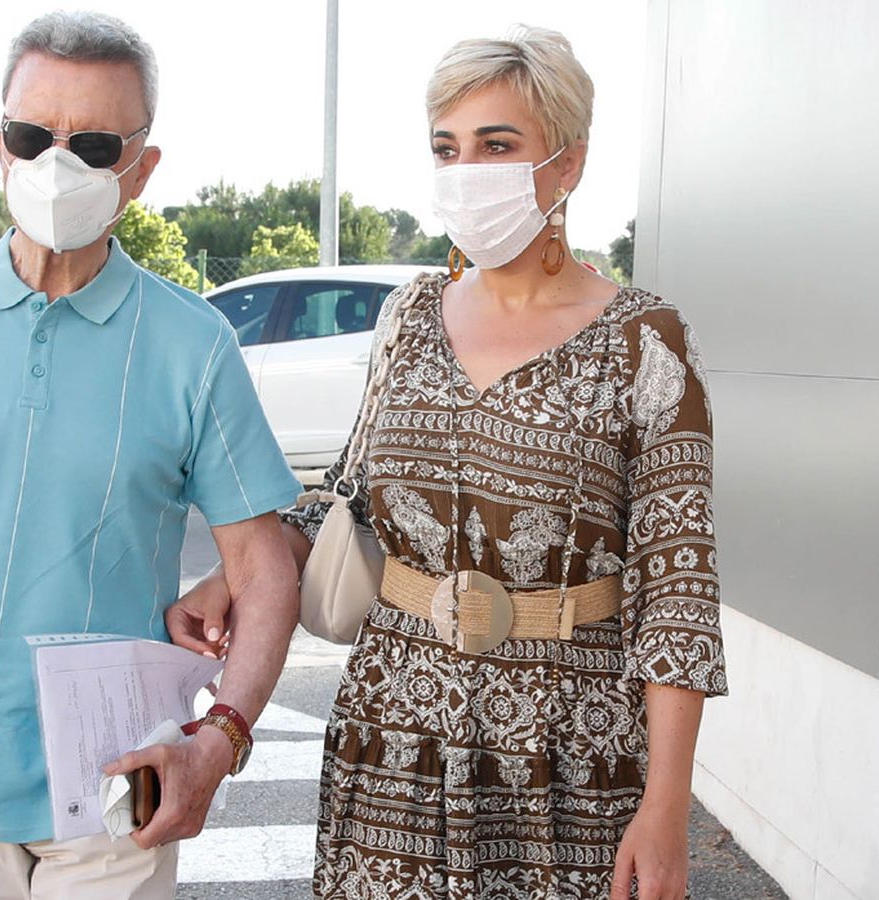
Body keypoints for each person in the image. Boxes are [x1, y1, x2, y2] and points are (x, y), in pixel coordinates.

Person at [169, 25, 725, 900]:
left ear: (568, 164)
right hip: (394, 735)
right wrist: (246, 565)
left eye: (497, 146)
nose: (467, 172)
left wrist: (665, 805)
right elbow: (349, 497)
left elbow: (679, 594)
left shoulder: (646, 341)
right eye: (447, 148)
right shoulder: (409, 314)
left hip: (569, 757)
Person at [0, 11, 301, 899]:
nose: (56, 163)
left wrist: (222, 739)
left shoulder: (191, 344)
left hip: (116, 780)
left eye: (92, 143)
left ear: (142, 169)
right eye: (29, 134)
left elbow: (265, 569)